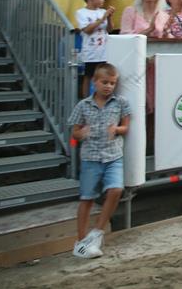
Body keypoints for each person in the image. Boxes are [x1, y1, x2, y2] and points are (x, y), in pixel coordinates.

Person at [68, 63, 130, 259]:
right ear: (94, 82)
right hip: (91, 158)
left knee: (116, 189)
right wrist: (81, 133)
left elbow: (126, 127)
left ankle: (97, 232)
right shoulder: (83, 105)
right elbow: (74, 132)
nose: (109, 86)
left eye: (112, 83)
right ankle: (81, 242)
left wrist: (117, 130)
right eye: (105, 82)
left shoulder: (120, 102)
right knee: (87, 198)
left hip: (113, 156)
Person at [76, 0, 114, 97]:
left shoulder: (103, 11)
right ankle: (85, 99)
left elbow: (110, 29)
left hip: (104, 51)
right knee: (88, 75)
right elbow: (87, 30)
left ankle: (102, 98)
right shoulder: (81, 12)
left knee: (104, 76)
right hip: (91, 52)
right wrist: (102, 19)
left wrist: (109, 17)